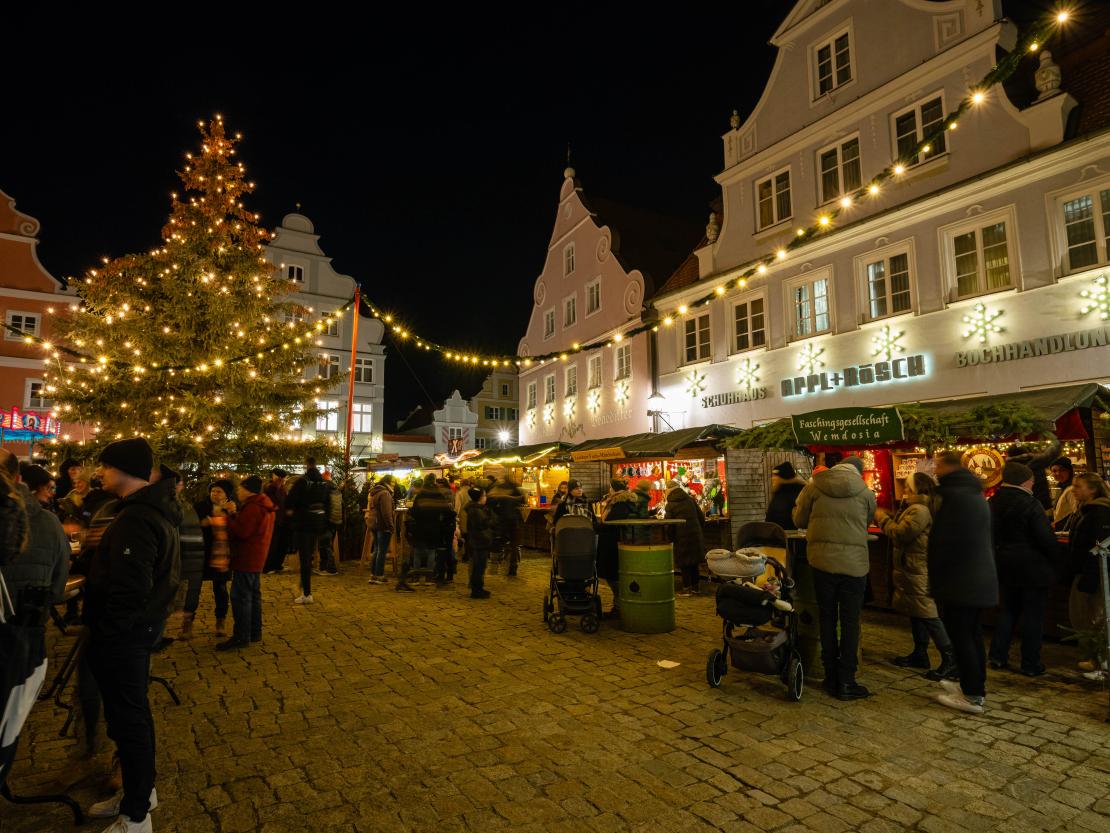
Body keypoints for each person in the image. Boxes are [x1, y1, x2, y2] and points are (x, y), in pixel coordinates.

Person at [83, 438, 180, 833]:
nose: (100, 473)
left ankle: (137, 816)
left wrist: (108, 632)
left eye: (106, 466)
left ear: (125, 470)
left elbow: (131, 587)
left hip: (126, 636)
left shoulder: (138, 518)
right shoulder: (148, 511)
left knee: (130, 720)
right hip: (136, 631)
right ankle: (140, 793)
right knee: (128, 718)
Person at [793, 456, 876, 700]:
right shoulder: (865, 492)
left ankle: (830, 677)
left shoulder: (814, 486)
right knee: (851, 623)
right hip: (854, 566)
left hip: (822, 563)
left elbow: (799, 520)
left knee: (827, 618)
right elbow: (867, 522)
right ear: (858, 472)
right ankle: (847, 681)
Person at [928, 450, 998, 715]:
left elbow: (946, 543)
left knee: (963, 637)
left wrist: (939, 578)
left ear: (948, 467)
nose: (934, 470)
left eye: (937, 465)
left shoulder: (955, 497)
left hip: (962, 580)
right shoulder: (972, 493)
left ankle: (972, 695)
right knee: (971, 635)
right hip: (976, 578)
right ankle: (972, 686)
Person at [876, 472, 956, 681]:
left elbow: (901, 533)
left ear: (917, 490)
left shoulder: (919, 510)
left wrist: (882, 518)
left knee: (927, 613)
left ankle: (950, 658)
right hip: (912, 567)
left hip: (917, 568)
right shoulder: (919, 507)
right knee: (917, 611)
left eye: (908, 489)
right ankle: (919, 653)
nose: (904, 492)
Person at [987, 461, 1060, 676]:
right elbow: (1045, 539)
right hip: (1032, 567)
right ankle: (1030, 663)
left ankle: (998, 655)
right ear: (1027, 481)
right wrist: (1056, 558)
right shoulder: (1030, 504)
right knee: (1033, 616)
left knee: (1008, 611)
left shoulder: (992, 502)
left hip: (1004, 564)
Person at [219, 476, 275, 650]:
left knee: (240, 597)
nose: (238, 492)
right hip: (256, 557)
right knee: (253, 597)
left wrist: (227, 516)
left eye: (240, 488)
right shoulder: (263, 504)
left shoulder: (253, 507)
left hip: (247, 558)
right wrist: (236, 514)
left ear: (247, 490)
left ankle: (241, 636)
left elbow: (242, 531)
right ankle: (254, 632)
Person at [0, 464, 68, 605]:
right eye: (49, 488)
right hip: (31, 612)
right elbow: (61, 568)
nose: (51, 494)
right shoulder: (49, 520)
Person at [1066, 472, 1110, 679]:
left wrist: (1089, 578)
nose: (1074, 490)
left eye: (1078, 486)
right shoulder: (1086, 510)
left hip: (1091, 574)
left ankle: (1097, 659)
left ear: (1092, 489)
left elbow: (1098, 548)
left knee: (1091, 617)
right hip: (1084, 571)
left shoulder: (1099, 513)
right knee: (1083, 616)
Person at [285, 457, 333, 604]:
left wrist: (291, 512)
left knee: (305, 558)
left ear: (307, 465)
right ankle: (304, 586)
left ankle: (306, 593)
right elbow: (328, 504)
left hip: (303, 523)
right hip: (318, 523)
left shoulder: (302, 481)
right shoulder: (324, 483)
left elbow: (290, 501)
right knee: (310, 555)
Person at [598, 479, 648, 617]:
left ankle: (621, 606)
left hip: (613, 544)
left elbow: (611, 523)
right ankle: (620, 605)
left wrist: (597, 526)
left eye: (610, 488)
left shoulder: (619, 503)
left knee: (613, 575)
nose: (609, 490)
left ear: (614, 489)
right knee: (614, 575)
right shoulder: (624, 501)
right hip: (617, 542)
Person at [190, 480, 234, 634]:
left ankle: (220, 622)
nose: (215, 494)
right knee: (193, 589)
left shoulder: (232, 508)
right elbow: (196, 523)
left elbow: (234, 528)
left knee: (221, 589)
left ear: (227, 494)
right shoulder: (201, 506)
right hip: (201, 553)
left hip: (221, 554)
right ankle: (187, 623)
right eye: (213, 491)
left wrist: (228, 514)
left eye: (219, 491)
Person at [398, 474, 455, 592]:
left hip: (420, 528)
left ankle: (416, 578)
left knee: (418, 552)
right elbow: (446, 510)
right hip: (434, 528)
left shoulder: (421, 495)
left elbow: (414, 512)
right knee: (431, 552)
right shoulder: (438, 495)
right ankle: (429, 578)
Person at [664, 480, 706, 598]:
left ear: (668, 491)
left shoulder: (670, 504)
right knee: (694, 562)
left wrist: (671, 538)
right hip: (695, 533)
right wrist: (699, 530)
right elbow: (701, 517)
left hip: (681, 535)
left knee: (684, 563)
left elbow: (669, 524)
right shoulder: (690, 500)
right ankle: (696, 587)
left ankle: (687, 588)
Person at [1005, 435, 1061, 511]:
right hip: (1041, 505)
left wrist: (1017, 439)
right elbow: (1054, 451)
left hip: (1018, 508)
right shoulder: (1037, 462)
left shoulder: (1007, 469)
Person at [487, 477, 525, 576]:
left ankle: (495, 565)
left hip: (501, 521)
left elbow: (491, 503)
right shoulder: (515, 489)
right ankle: (513, 567)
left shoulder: (497, 489)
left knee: (498, 542)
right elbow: (522, 501)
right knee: (514, 545)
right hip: (514, 521)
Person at [463, 487, 493, 599]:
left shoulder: (477, 509)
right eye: (484, 495)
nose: (486, 497)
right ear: (479, 498)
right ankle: (476, 590)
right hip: (479, 542)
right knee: (478, 566)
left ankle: (479, 588)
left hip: (478, 541)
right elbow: (483, 526)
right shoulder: (477, 511)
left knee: (480, 566)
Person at [366, 474, 396, 585]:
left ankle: (373, 575)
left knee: (377, 550)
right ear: (388, 482)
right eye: (393, 482)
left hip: (374, 523)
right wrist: (391, 526)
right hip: (382, 525)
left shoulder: (375, 492)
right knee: (381, 551)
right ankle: (379, 575)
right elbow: (387, 513)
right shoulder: (385, 493)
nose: (394, 484)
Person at [262, 468, 289, 574]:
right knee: (273, 544)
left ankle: (277, 565)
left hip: (281, 520)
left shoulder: (282, 487)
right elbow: (275, 501)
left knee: (281, 544)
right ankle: (268, 566)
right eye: (280, 478)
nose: (282, 480)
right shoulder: (270, 487)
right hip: (274, 520)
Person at [765, 461, 806, 530]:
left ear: (783, 477)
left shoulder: (791, 494)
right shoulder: (779, 492)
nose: (773, 478)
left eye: (776, 475)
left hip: (789, 536)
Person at [1051, 457, 1078, 527]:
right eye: (1054, 471)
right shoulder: (1063, 488)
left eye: (1062, 470)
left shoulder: (1072, 489)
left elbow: (1076, 512)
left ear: (1069, 471)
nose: (1057, 473)